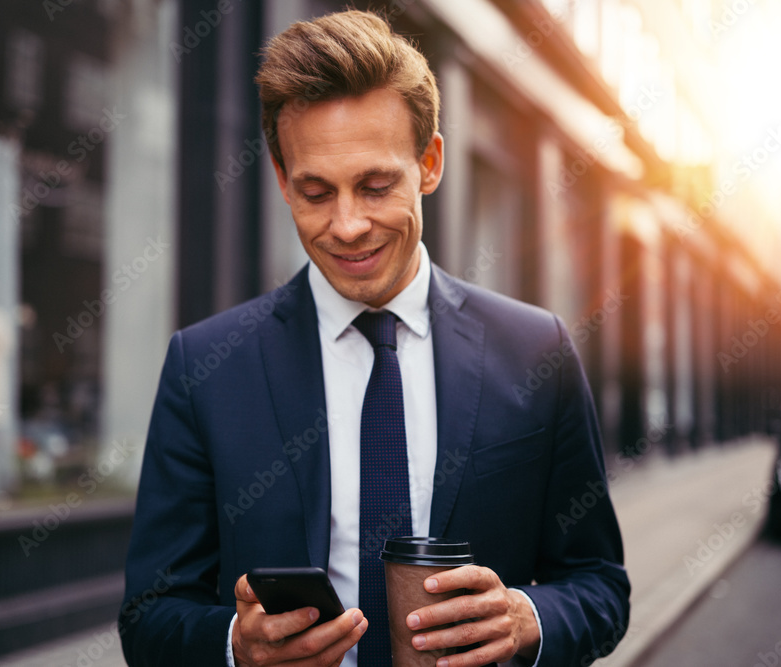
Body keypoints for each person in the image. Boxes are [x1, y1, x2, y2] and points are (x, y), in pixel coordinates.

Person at [119, 9, 629, 667]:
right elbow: (149, 615)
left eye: (375, 184)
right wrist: (234, 646)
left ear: (431, 163)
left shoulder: (538, 350)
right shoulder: (206, 367)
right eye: (315, 192)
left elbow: (601, 584)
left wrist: (529, 617)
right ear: (281, 181)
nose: (348, 224)